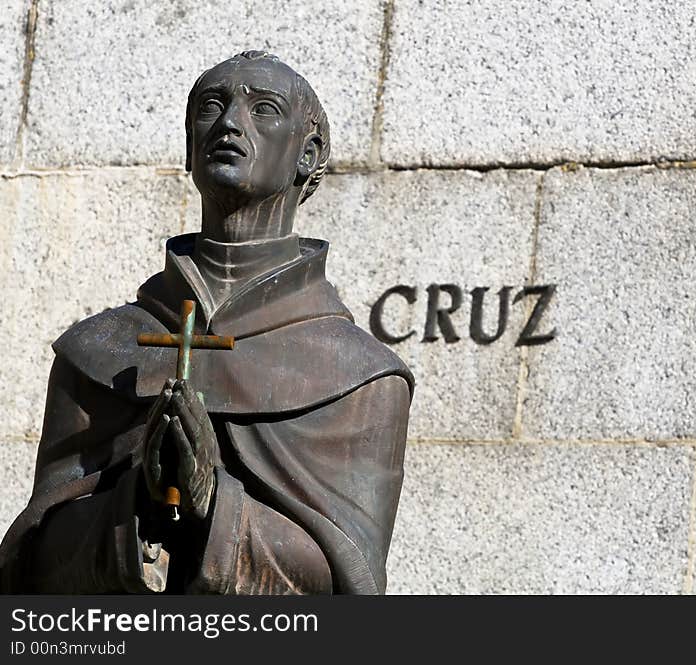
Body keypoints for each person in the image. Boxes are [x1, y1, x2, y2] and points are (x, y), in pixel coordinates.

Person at [0, 51, 414, 594]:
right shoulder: (99, 351)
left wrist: (215, 507)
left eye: (263, 109)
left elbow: (350, 585)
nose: (229, 123)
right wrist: (138, 506)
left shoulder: (360, 377)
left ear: (307, 154)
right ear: (190, 146)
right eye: (211, 106)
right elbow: (36, 568)